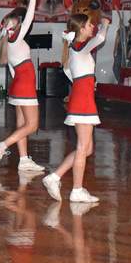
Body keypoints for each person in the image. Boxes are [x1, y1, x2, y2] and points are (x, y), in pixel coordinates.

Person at [42, 14, 109, 204]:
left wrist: (84, 83)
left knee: (86, 148)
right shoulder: (80, 47)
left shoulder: (75, 49)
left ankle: (54, 177)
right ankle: (77, 190)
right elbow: (101, 38)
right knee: (82, 147)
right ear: (81, 29)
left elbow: (68, 71)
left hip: (83, 97)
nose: (93, 27)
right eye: (90, 25)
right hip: (83, 101)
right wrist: (105, 25)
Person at [0, 0, 46, 172]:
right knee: (32, 125)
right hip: (24, 84)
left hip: (18, 83)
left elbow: (10, 67)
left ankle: (23, 159)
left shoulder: (6, 38)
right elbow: (30, 17)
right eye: (19, 21)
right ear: (14, 24)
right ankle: (2, 145)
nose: (23, 23)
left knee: (22, 123)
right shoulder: (15, 36)